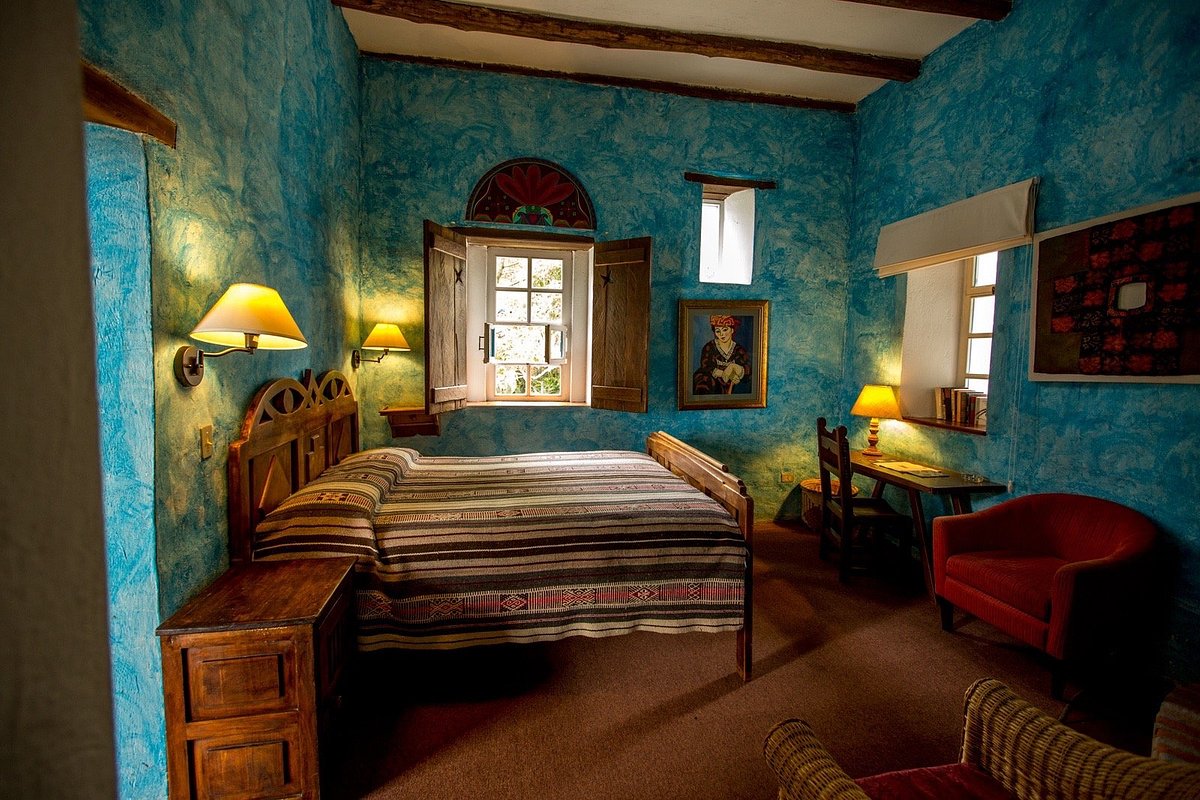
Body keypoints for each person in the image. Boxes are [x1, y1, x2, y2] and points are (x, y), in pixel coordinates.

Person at [692, 314, 751, 394]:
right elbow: (706, 366)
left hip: (733, 383)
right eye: (718, 331)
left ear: (732, 330)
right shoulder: (709, 347)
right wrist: (723, 374)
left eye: (725, 330)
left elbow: (748, 369)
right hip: (712, 382)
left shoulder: (739, 350)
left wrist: (736, 369)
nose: (722, 334)